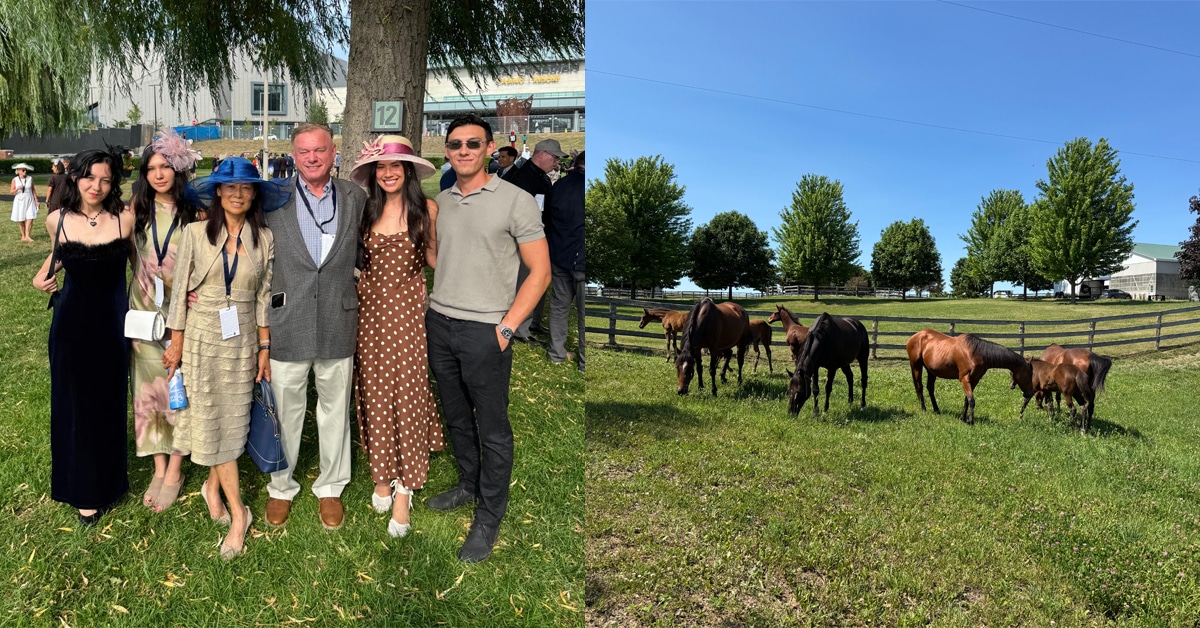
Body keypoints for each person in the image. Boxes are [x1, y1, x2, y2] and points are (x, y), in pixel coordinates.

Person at [425, 113, 551, 562]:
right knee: (457, 416)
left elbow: (540, 272)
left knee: (493, 428)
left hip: (486, 330)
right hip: (440, 323)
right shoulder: (442, 200)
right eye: (456, 144)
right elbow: (440, 258)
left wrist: (507, 327)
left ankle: (489, 516)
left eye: (473, 143)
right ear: (447, 151)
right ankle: (468, 483)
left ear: (490, 148)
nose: (464, 151)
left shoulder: (516, 200)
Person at [162, 157, 287, 559]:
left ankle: (211, 487)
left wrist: (265, 348)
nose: (238, 194)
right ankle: (239, 514)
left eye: (246, 188)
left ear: (254, 195)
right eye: (230, 187)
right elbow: (179, 293)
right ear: (217, 192)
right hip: (201, 337)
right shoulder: (195, 233)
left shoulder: (264, 238)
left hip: (242, 339)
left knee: (231, 421)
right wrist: (176, 342)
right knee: (208, 419)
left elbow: (264, 297)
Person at [263, 122, 366, 531]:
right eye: (304, 151)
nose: (312, 158)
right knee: (285, 408)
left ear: (333, 151)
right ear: (294, 155)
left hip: (339, 316)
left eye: (319, 150)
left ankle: (331, 486)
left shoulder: (355, 197)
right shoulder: (273, 197)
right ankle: (281, 486)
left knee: (335, 408)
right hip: (288, 317)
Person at [32, 148, 135, 526]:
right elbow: (56, 258)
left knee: (108, 404)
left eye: (106, 179)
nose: (97, 186)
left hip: (112, 326)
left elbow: (142, 269)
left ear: (114, 183)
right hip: (71, 328)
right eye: (90, 177)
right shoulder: (56, 219)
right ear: (75, 177)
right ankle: (80, 491)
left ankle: (109, 483)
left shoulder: (125, 218)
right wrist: (41, 278)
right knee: (73, 407)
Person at [349, 135, 445, 538]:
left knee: (407, 393)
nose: (388, 173)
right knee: (374, 392)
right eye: (381, 167)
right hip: (369, 316)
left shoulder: (427, 209)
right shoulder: (366, 210)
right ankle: (382, 473)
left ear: (408, 171)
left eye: (395, 166)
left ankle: (405, 487)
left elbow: (435, 259)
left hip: (406, 317)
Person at [128, 129, 203, 513]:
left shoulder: (196, 213)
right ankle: (158, 466)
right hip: (143, 314)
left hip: (181, 315)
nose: (159, 174)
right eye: (152, 168)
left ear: (178, 169)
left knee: (180, 388)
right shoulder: (135, 212)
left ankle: (175, 468)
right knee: (148, 390)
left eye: (166, 166)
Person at [502, 138, 567, 337]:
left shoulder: (538, 176)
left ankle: (532, 323)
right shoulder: (524, 177)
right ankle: (521, 327)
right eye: (555, 158)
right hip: (525, 238)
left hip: (537, 235)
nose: (556, 163)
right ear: (543, 155)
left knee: (538, 277)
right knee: (527, 280)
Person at [543, 150, 586, 371]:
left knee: (559, 307)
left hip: (559, 252)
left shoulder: (559, 185)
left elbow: (547, 218)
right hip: (581, 256)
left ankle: (556, 353)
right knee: (583, 312)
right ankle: (584, 361)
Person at [11, 163, 40, 242]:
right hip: (19, 200)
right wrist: (17, 189)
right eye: (23, 170)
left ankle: (27, 235)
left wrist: (36, 200)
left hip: (29, 199)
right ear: (18, 171)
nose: (25, 171)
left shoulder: (30, 178)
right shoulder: (15, 180)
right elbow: (11, 192)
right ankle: (23, 236)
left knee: (30, 217)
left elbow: (33, 190)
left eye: (26, 170)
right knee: (21, 218)